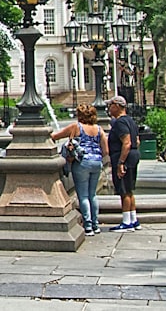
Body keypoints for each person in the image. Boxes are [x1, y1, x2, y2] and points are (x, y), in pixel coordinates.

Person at [52, 103, 108, 236]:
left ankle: (88, 226)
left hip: (82, 163)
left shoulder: (76, 127)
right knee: (92, 194)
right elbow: (106, 151)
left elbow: (55, 136)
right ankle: (96, 224)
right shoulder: (99, 129)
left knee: (83, 195)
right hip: (96, 162)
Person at [106, 95, 141, 231]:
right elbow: (137, 141)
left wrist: (121, 162)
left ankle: (126, 222)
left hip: (124, 157)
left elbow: (127, 143)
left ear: (117, 106)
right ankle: (133, 219)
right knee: (129, 189)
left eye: (111, 105)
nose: (109, 108)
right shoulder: (131, 121)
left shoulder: (120, 122)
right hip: (133, 156)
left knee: (124, 190)